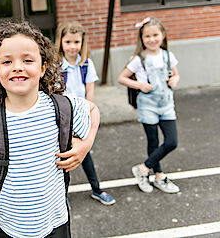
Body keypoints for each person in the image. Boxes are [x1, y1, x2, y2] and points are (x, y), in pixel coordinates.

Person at [0, 20, 100, 238]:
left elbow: (93, 110)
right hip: (10, 226)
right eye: (6, 61)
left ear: (43, 67)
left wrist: (84, 146)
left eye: (27, 60)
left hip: (55, 221)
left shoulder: (59, 106)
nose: (17, 67)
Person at [55, 21, 116, 205]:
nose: (72, 47)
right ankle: (59, 196)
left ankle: (96, 189)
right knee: (60, 157)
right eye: (68, 42)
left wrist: (88, 114)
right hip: (61, 118)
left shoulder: (86, 65)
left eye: (76, 42)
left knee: (84, 153)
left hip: (80, 118)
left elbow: (89, 92)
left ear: (82, 43)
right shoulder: (56, 66)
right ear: (61, 42)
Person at [118, 17, 180, 194]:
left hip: (166, 104)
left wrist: (175, 79)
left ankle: (143, 169)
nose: (152, 39)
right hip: (148, 105)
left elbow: (176, 74)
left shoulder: (168, 56)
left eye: (155, 35)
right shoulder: (139, 59)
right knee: (153, 141)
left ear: (163, 35)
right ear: (142, 39)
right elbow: (122, 78)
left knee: (171, 141)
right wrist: (139, 85)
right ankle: (159, 175)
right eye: (147, 36)